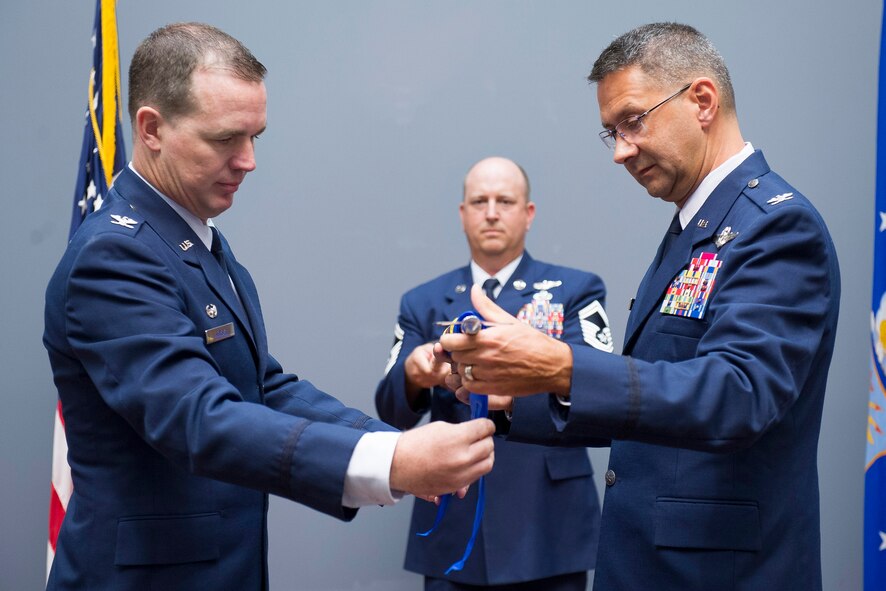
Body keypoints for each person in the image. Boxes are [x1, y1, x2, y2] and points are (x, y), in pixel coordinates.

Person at [43, 22, 494, 591]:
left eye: (256, 136)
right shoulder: (114, 256)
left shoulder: (192, 240)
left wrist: (391, 447)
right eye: (226, 138)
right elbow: (198, 419)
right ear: (152, 129)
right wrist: (388, 464)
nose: (248, 160)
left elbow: (262, 387)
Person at [440, 23, 840, 591]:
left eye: (633, 121)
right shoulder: (698, 224)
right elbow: (657, 403)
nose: (621, 151)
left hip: (717, 572)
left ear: (702, 100)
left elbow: (738, 395)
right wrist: (517, 400)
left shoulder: (775, 225)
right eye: (612, 133)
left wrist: (561, 365)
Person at [376, 156, 612, 590]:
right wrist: (413, 374)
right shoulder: (423, 301)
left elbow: (599, 396)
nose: (490, 212)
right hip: (455, 515)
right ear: (463, 214)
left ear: (528, 213)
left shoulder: (576, 291)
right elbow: (393, 413)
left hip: (548, 521)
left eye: (505, 200)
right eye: (479, 201)